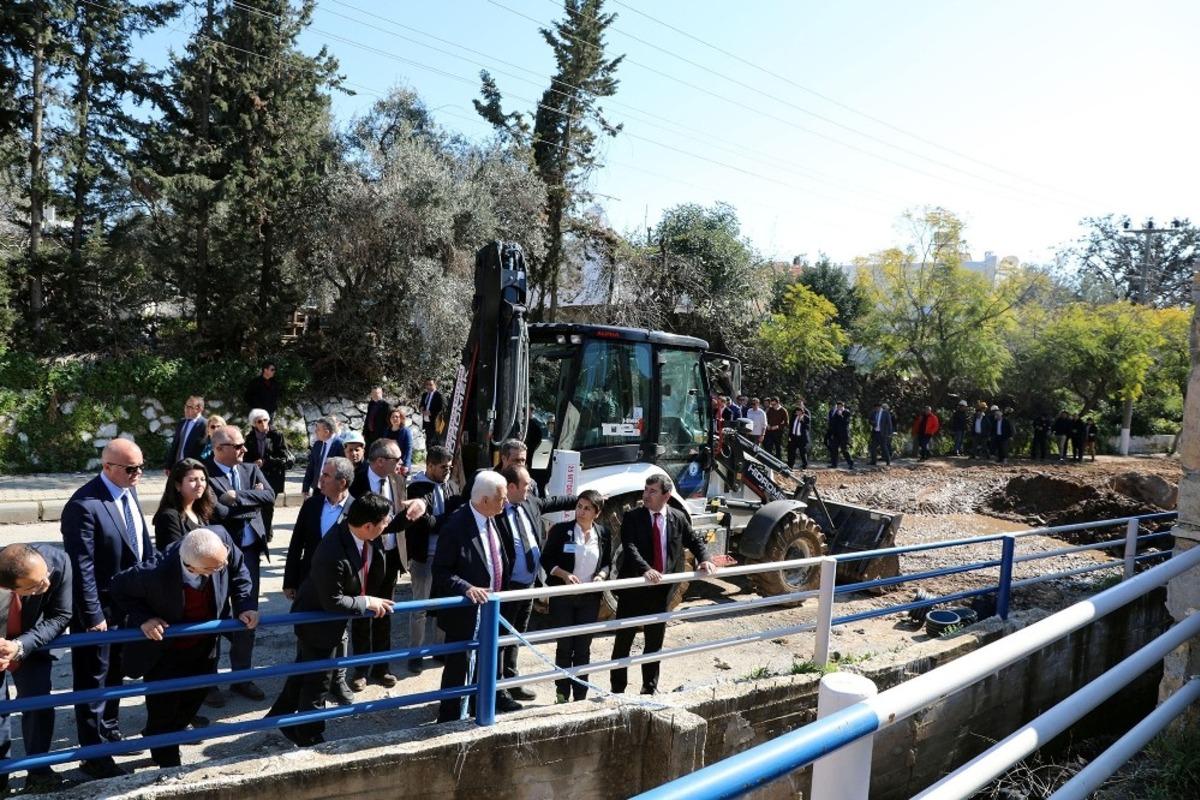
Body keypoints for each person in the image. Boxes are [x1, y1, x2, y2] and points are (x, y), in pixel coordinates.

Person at [111, 528, 257, 768]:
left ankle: (163, 734)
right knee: (163, 711)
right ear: (192, 568)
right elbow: (118, 588)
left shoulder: (221, 541)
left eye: (223, 562)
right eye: (214, 569)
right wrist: (144, 618)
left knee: (192, 702)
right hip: (165, 652)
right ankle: (167, 766)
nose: (221, 570)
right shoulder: (153, 572)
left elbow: (238, 568)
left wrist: (244, 603)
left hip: (204, 645)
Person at [267, 494, 396, 746]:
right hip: (318, 621)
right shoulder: (333, 551)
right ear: (368, 526)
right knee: (318, 681)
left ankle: (280, 716)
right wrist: (366, 602)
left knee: (303, 673)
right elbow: (333, 602)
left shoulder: (359, 533)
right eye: (384, 521)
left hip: (332, 619)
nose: (387, 524)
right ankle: (311, 735)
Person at [60, 438, 155, 779]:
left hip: (128, 606)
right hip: (99, 612)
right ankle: (93, 755)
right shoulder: (83, 505)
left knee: (115, 675)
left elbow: (141, 548)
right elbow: (81, 566)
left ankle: (111, 734)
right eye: (131, 469)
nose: (138, 474)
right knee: (93, 683)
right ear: (107, 467)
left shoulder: (128, 493)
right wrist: (93, 614)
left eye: (141, 467)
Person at [610, 475, 716, 695]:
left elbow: (694, 540)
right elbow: (629, 547)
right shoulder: (632, 517)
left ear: (666, 495)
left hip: (661, 592)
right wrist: (646, 569)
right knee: (623, 643)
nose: (645, 495)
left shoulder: (677, 517)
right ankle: (617, 691)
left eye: (652, 491)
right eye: (645, 489)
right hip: (633, 591)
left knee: (654, 643)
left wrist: (705, 558)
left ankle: (649, 688)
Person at [348, 439, 430, 690]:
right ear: (380, 461)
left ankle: (382, 666)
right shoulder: (356, 481)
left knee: (385, 613)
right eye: (397, 459)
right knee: (363, 613)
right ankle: (361, 669)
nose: (401, 464)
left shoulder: (397, 479)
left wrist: (421, 505)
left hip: (392, 557)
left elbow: (406, 512)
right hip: (364, 556)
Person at [433, 471, 515, 722]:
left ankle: (478, 711)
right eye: (502, 498)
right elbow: (441, 570)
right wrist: (466, 588)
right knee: (459, 667)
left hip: (491, 611)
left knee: (484, 666)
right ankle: (449, 719)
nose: (507, 503)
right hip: (465, 614)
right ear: (484, 500)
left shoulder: (494, 517)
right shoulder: (456, 526)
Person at [205, 425, 275, 702]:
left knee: (248, 615)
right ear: (219, 449)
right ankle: (209, 683)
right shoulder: (205, 476)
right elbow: (219, 512)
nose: (244, 450)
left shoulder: (250, 470)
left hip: (249, 555)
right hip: (219, 559)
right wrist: (249, 502)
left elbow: (268, 495)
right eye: (238, 446)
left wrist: (238, 497)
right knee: (216, 618)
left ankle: (241, 678)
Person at [496, 466, 577, 700]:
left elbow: (555, 502)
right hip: (508, 588)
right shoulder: (496, 510)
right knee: (501, 638)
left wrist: (582, 498)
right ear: (511, 487)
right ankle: (498, 690)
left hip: (529, 585)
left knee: (517, 635)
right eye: (526, 485)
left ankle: (512, 681)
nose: (530, 488)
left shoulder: (530, 503)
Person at [284, 456, 356, 705]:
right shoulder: (313, 505)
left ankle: (337, 680)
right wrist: (290, 581)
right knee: (305, 627)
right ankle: (302, 676)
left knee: (339, 633)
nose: (319, 480)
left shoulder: (355, 509)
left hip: (340, 586)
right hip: (308, 583)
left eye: (325, 476)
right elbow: (296, 544)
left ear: (342, 482)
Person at [0, 544, 72, 793]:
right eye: (34, 587)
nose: (46, 586)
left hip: (32, 641)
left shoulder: (58, 561)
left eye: (45, 578)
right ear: (10, 588)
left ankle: (39, 772)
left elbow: (61, 615)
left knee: (38, 703)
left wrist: (20, 645)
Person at [542, 490, 612, 703]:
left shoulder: (604, 533)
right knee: (565, 647)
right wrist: (564, 575)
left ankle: (580, 695)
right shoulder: (562, 531)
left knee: (583, 648)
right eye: (579, 506)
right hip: (563, 597)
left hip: (589, 599)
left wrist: (601, 575)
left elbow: (608, 563)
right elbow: (546, 560)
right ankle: (562, 694)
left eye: (587, 508)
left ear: (597, 513)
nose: (581, 512)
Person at [406, 445, 459, 673]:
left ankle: (439, 650)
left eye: (449, 467)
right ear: (429, 466)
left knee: (443, 607)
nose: (447, 471)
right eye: (442, 467)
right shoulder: (417, 488)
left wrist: (441, 522)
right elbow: (424, 523)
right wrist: (446, 521)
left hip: (445, 558)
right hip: (422, 557)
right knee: (420, 609)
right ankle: (414, 654)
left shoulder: (451, 486)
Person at [152, 457, 224, 552]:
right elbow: (176, 554)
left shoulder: (201, 510)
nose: (200, 484)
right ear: (178, 485)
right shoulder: (169, 516)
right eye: (192, 480)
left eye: (203, 479)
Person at [243, 408, 292, 538]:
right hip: (257, 477)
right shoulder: (250, 438)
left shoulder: (277, 436)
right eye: (259, 421)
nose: (263, 424)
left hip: (273, 476)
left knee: (268, 505)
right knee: (259, 506)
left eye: (265, 420)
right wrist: (253, 463)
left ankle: (267, 533)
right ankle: (262, 531)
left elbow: (284, 457)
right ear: (254, 424)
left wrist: (265, 462)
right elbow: (245, 457)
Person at [301, 417, 344, 498]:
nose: (315, 432)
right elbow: (311, 467)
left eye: (318, 429)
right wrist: (305, 487)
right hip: (318, 489)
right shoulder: (317, 445)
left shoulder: (340, 445)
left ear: (326, 432)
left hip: (332, 490)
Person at [164, 396, 207, 472]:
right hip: (177, 467)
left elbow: (205, 450)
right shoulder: (182, 422)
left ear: (199, 409)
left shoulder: (205, 425)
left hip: (193, 469)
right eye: (185, 406)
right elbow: (175, 445)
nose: (186, 409)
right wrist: (168, 465)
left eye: (189, 407)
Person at [382, 408, 414, 475]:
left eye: (397, 417)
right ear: (389, 419)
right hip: (389, 463)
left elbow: (409, 449)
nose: (394, 419)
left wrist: (406, 464)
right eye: (392, 417)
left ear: (401, 418)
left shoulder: (406, 431)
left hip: (401, 463)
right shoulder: (386, 431)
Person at [827, 401, 854, 469]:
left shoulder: (846, 412)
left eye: (840, 406)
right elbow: (833, 423)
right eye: (838, 406)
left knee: (844, 450)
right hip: (836, 434)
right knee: (834, 449)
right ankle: (834, 464)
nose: (839, 407)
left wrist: (841, 415)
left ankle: (850, 463)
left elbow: (846, 423)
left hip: (844, 435)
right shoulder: (836, 413)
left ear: (843, 406)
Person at [419, 378, 445, 447]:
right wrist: (421, 408)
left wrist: (431, 413)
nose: (428, 386)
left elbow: (441, 408)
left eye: (431, 385)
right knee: (427, 442)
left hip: (434, 422)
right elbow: (422, 404)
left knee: (433, 442)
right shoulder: (424, 394)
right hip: (426, 421)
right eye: (427, 385)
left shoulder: (438, 395)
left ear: (435, 385)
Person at [867, 402, 894, 466]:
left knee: (884, 447)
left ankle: (888, 461)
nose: (876, 409)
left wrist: (890, 433)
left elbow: (889, 423)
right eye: (875, 408)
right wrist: (872, 422)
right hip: (875, 432)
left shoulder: (885, 413)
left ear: (880, 407)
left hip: (883, 433)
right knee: (873, 447)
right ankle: (873, 461)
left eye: (877, 408)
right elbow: (869, 420)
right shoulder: (873, 412)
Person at [787, 400, 811, 470]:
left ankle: (804, 465)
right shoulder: (794, 417)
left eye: (798, 411)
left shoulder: (806, 417)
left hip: (801, 438)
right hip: (794, 437)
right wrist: (789, 436)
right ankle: (790, 465)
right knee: (791, 452)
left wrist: (801, 420)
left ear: (801, 412)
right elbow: (791, 427)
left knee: (802, 452)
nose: (796, 412)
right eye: (796, 411)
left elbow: (807, 427)